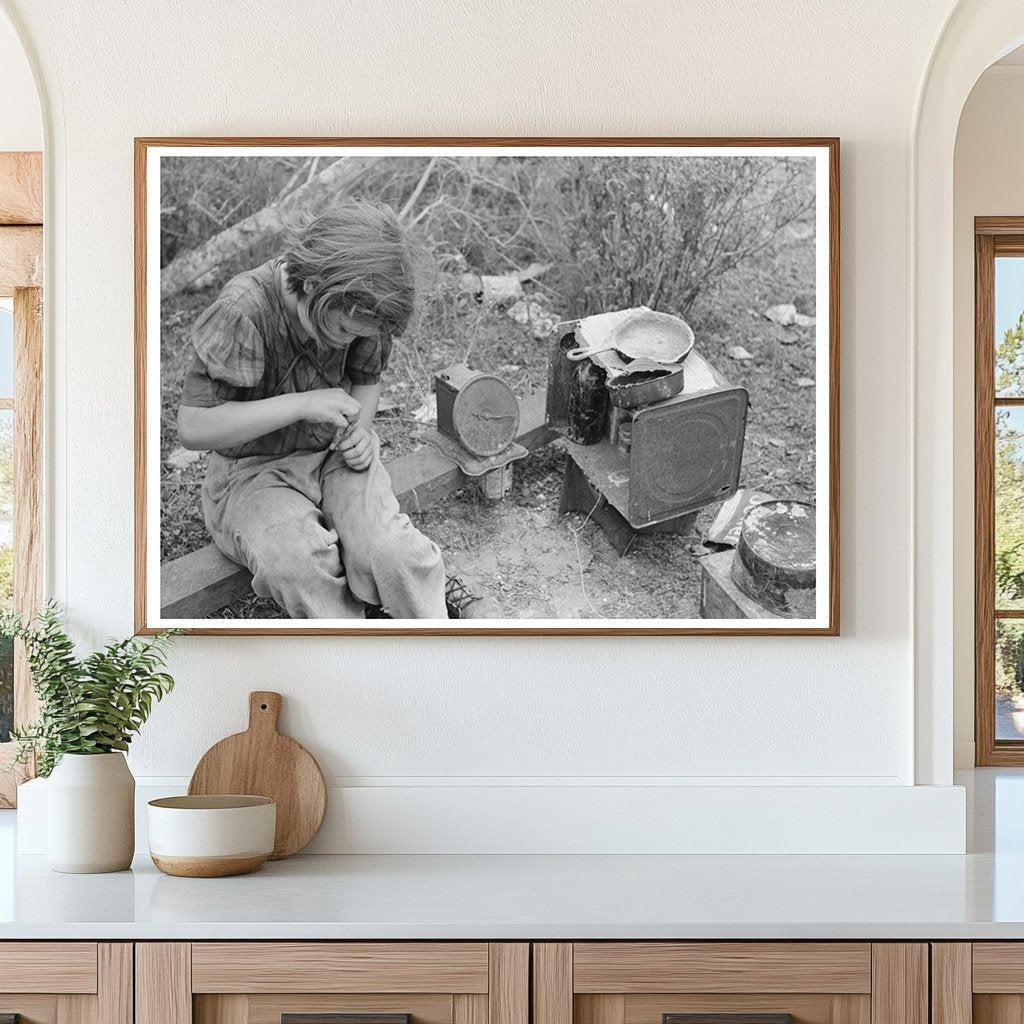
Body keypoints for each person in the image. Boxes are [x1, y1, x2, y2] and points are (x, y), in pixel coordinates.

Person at [176, 202, 497, 620]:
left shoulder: (361, 308)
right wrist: (301, 404)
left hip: (333, 454)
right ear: (312, 285)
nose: (348, 342)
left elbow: (366, 380)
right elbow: (193, 427)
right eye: (343, 330)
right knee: (297, 562)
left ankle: (431, 644)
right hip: (251, 472)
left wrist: (358, 433)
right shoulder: (244, 310)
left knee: (390, 549)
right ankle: (352, 654)